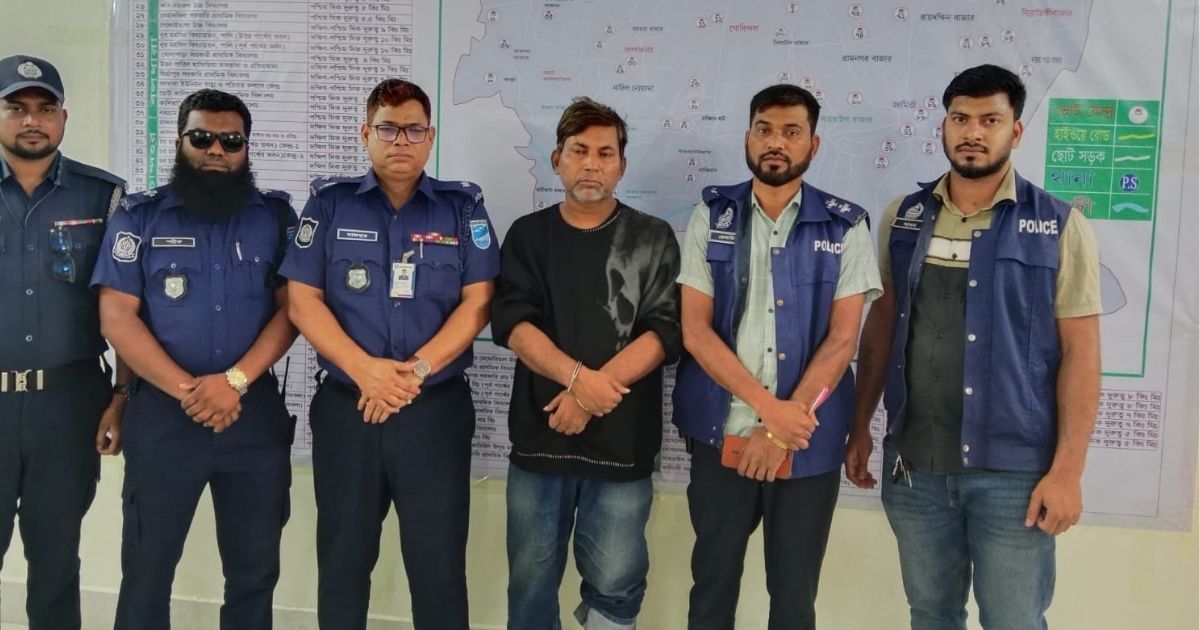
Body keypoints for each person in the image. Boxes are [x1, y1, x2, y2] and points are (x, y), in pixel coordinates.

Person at [846, 64, 1101, 630]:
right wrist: (859, 426)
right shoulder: (904, 218)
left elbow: (1082, 356)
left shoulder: (1060, 226)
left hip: (1014, 478)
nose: (973, 132)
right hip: (916, 468)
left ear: (1016, 130)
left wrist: (1068, 472)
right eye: (960, 118)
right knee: (931, 615)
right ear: (943, 126)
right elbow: (882, 329)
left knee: (1013, 620)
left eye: (990, 120)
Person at [280, 78, 499, 630]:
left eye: (413, 130)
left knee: (438, 567)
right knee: (344, 563)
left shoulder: (461, 209)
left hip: (434, 413)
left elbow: (478, 304)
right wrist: (366, 372)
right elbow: (303, 302)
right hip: (349, 409)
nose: (401, 140)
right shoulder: (328, 204)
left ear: (431, 137)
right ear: (365, 134)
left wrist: (411, 374)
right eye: (388, 129)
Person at [673, 83, 882, 630]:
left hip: (806, 445)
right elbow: (695, 331)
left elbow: (843, 340)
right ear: (748, 137)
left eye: (792, 132)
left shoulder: (845, 225)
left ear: (814, 144)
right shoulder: (712, 216)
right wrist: (768, 413)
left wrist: (781, 429)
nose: (776, 142)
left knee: (793, 597)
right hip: (722, 435)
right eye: (764, 130)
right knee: (712, 585)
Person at [92, 89, 298, 629]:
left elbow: (294, 311)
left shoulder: (275, 217)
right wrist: (194, 392)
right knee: (147, 571)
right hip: (164, 418)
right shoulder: (139, 216)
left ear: (246, 148)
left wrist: (233, 383)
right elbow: (117, 318)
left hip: (251, 417)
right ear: (181, 141)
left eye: (231, 141)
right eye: (202, 138)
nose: (216, 151)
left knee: (254, 574)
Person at [490, 97, 682, 630]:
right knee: (530, 587)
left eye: (605, 153)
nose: (591, 164)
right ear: (557, 160)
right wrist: (576, 381)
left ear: (622, 164)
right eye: (579, 151)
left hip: (622, 445)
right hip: (541, 439)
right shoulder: (528, 236)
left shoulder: (653, 237)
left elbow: (665, 330)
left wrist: (588, 396)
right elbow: (513, 323)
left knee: (616, 588)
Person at [0, 54, 126, 629]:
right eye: (17, 108)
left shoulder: (103, 198)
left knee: (55, 562)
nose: (32, 120)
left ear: (63, 117)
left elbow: (127, 307)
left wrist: (122, 396)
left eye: (45, 108)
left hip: (67, 405)